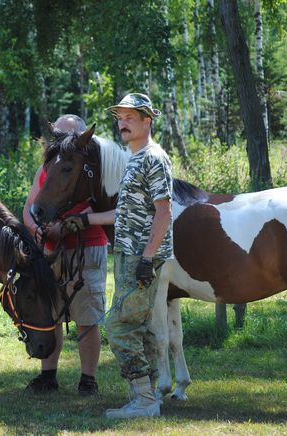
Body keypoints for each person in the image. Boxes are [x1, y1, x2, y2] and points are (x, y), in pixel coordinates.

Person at [63, 93, 172, 418]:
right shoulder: (134, 157)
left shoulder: (153, 157)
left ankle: (143, 399)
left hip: (142, 256)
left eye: (130, 117)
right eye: (120, 118)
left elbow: (164, 212)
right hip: (127, 252)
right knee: (141, 327)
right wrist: (85, 220)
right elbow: (124, 213)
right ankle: (149, 396)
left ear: (146, 120)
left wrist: (146, 258)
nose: (123, 123)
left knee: (120, 326)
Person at [22, 114, 108, 396]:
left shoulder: (96, 167)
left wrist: (66, 225)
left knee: (87, 313)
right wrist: (36, 230)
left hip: (87, 246)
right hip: (51, 250)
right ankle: (48, 375)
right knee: (51, 312)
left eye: (64, 136)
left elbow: (101, 206)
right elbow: (30, 206)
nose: (58, 141)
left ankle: (88, 379)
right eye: (56, 135)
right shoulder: (48, 165)